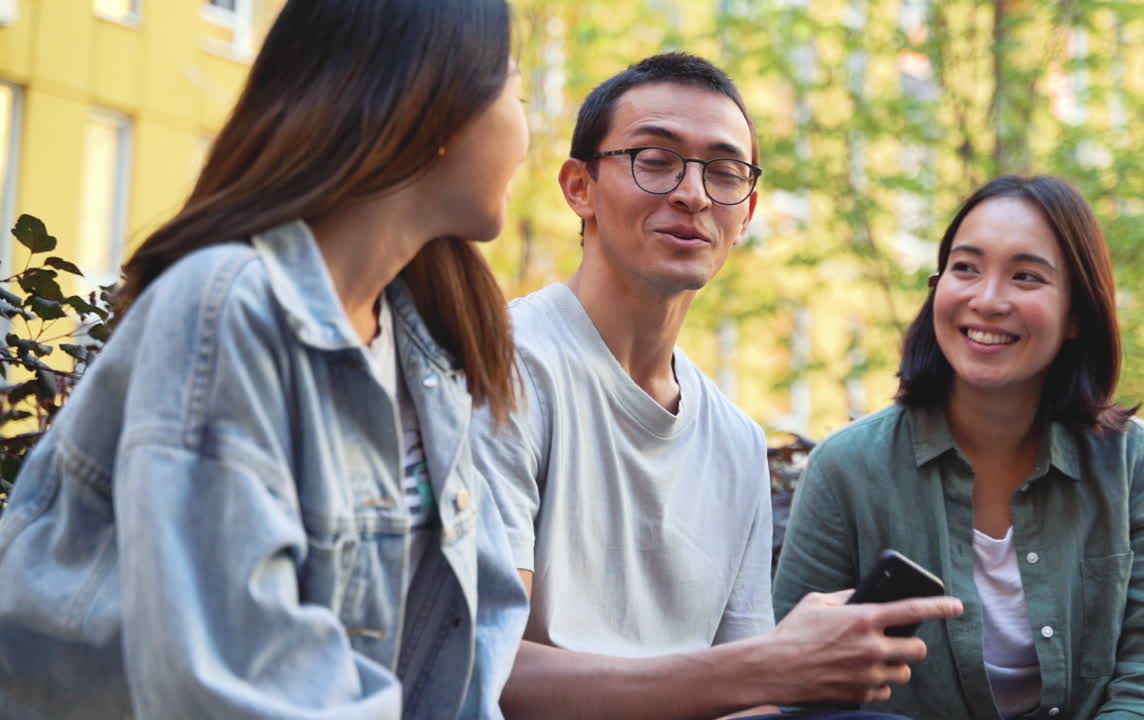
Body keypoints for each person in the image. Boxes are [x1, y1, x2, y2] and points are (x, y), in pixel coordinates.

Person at [0, 1, 529, 717]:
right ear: (438, 106)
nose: (526, 138)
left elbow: (462, 657)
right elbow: (229, 685)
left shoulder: (427, 354)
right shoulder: (224, 309)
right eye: (515, 90)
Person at [470, 52, 962, 720]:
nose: (694, 194)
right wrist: (766, 667)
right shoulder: (505, 365)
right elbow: (484, 665)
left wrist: (781, 674)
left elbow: (747, 699)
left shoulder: (735, 438)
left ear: (747, 213)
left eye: (724, 173)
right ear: (579, 187)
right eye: (655, 160)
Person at [773, 175, 1144, 720]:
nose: (988, 300)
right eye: (966, 268)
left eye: (1026, 276)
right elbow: (800, 691)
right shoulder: (846, 467)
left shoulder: (1133, 462)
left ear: (1077, 313)